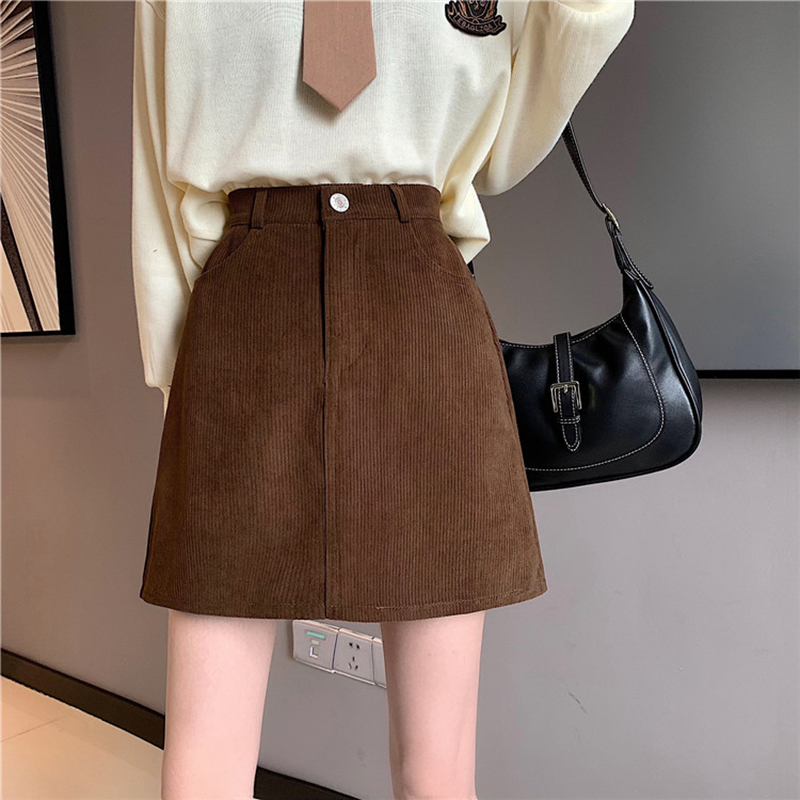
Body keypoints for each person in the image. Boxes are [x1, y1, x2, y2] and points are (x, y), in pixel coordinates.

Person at [131, 1, 635, 797]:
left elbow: (504, 155)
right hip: (241, 319)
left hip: (423, 314)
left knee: (437, 773)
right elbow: (155, 174)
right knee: (203, 772)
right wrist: (179, 394)